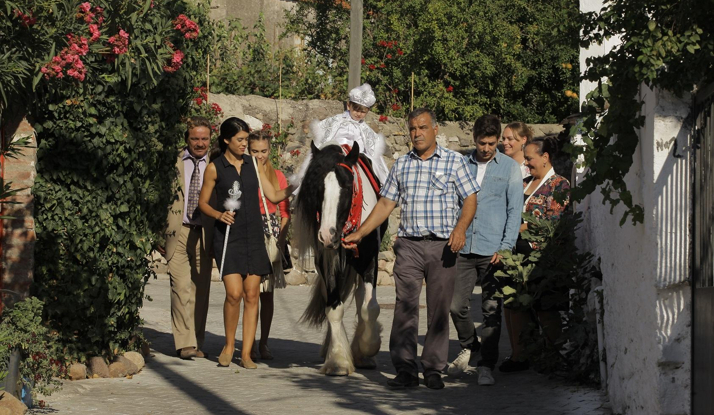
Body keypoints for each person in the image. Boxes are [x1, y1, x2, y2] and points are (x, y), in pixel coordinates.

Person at [343, 108, 479, 390]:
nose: (417, 133)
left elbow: (469, 199)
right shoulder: (402, 164)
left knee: (439, 309)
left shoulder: (455, 162)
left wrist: (461, 229)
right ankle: (405, 368)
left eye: (422, 128)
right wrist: (360, 233)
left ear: (435, 129)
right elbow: (384, 205)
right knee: (405, 307)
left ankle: (433, 369)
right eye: (413, 128)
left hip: (443, 246)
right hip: (409, 246)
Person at [198, 117, 294, 369]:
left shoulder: (254, 163)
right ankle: (229, 346)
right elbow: (203, 203)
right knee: (234, 293)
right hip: (229, 237)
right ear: (226, 140)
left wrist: (295, 186)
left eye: (246, 140)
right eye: (240, 140)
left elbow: (273, 195)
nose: (244, 145)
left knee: (252, 294)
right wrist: (219, 214)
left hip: (254, 236)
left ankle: (248, 353)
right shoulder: (214, 168)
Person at [447, 115, 523, 386]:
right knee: (455, 305)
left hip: (493, 249)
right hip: (463, 247)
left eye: (492, 143)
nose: (488, 148)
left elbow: (515, 210)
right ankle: (470, 345)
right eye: (482, 143)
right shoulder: (460, 163)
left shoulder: (509, 168)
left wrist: (506, 247)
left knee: (491, 309)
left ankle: (486, 365)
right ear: (475, 140)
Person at [500, 136, 570, 373]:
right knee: (513, 304)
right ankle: (520, 355)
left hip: (542, 258)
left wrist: (515, 227)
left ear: (545, 157)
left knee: (545, 308)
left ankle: (554, 357)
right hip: (516, 256)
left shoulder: (560, 185)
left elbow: (551, 221)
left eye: (530, 159)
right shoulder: (524, 182)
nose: (527, 164)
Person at [159, 116, 215, 360]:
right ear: (187, 139)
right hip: (179, 230)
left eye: (204, 139)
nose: (200, 143)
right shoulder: (173, 163)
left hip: (205, 232)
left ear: (210, 140)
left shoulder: (217, 164)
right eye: (195, 139)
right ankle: (184, 344)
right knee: (180, 287)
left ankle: (197, 340)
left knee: (200, 290)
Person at [247, 130, 290, 361]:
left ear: (269, 150)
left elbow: (285, 212)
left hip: (270, 234)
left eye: (263, 151)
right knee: (250, 292)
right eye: (254, 151)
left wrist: (281, 241)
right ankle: (249, 342)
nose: (259, 156)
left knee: (267, 294)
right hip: (249, 231)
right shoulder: (244, 172)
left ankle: (264, 342)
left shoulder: (278, 176)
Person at [295, 83, 390, 186]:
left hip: (356, 154)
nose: (358, 114)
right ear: (349, 106)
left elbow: (371, 147)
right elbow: (325, 138)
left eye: (363, 112)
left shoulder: (365, 129)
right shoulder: (336, 121)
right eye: (356, 110)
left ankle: (381, 188)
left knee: (373, 163)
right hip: (336, 151)